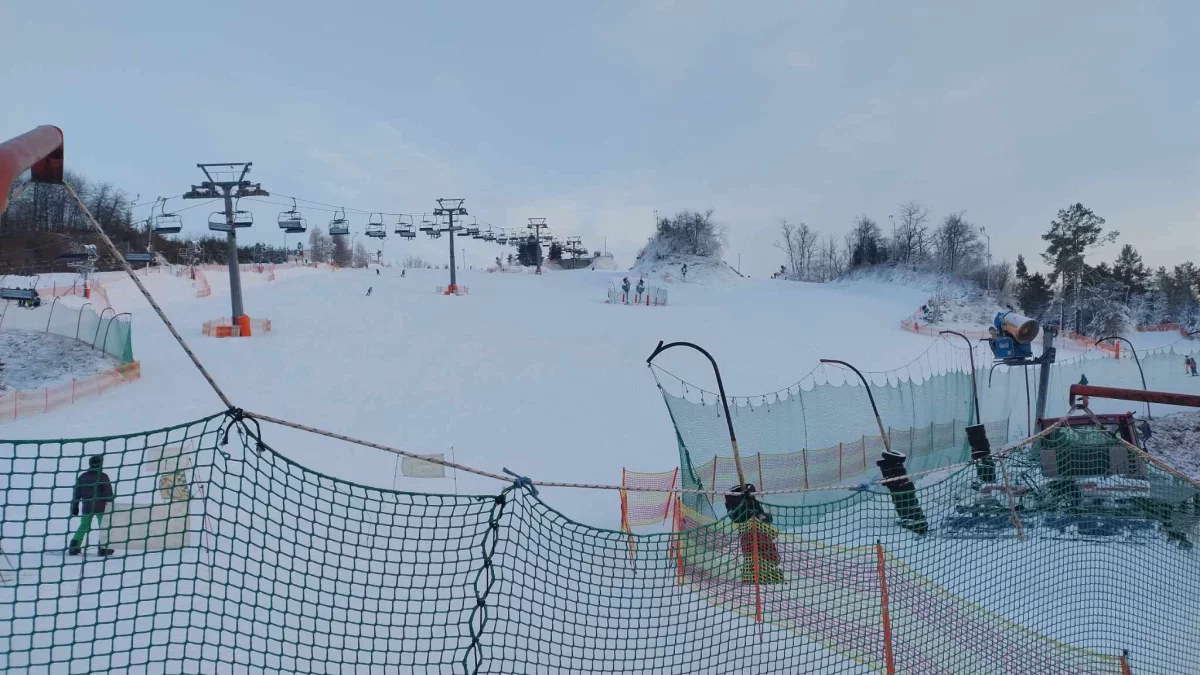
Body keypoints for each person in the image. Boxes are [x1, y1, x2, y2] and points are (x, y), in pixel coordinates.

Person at [725, 484, 784, 584]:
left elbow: (767, 518)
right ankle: (757, 575)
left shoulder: (754, 503)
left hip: (760, 533)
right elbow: (730, 496)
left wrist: (749, 492)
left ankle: (766, 574)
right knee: (752, 557)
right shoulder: (737, 506)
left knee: (766, 556)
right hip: (750, 534)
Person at [70, 455, 115, 556]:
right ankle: (103, 548)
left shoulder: (83, 476)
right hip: (101, 507)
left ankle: (74, 546)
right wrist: (111, 505)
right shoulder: (103, 476)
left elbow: (77, 493)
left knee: (83, 526)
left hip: (87, 507)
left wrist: (75, 506)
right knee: (104, 527)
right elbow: (108, 493)